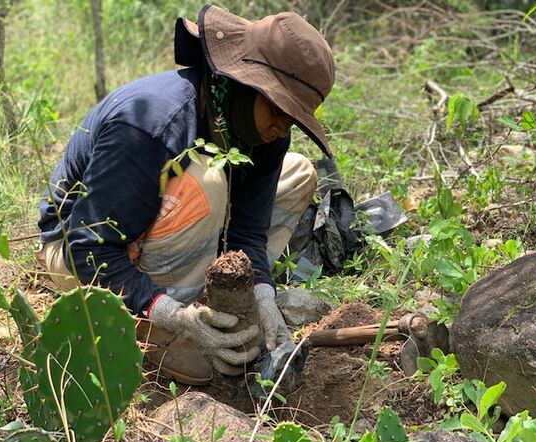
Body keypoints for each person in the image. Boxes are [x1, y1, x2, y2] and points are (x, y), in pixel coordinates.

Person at [35, 5, 335, 385]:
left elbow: (247, 234)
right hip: (78, 255)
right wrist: (173, 316)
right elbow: (87, 247)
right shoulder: (148, 125)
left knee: (298, 173)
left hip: (159, 235)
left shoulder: (264, 130)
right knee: (207, 180)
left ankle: (219, 299)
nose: (283, 125)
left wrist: (263, 296)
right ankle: (159, 327)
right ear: (246, 83)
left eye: (294, 116)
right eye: (278, 107)